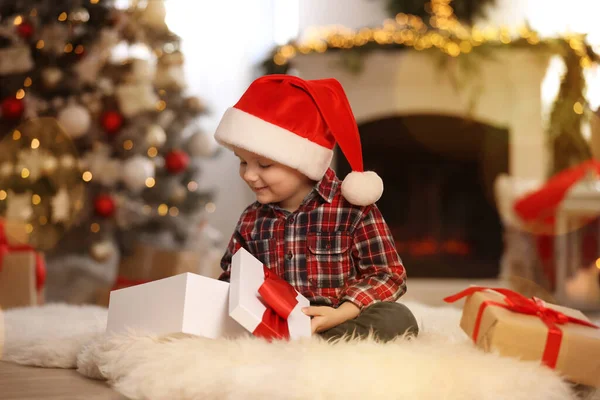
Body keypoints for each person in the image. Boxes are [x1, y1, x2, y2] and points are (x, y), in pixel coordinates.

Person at [214, 74, 418, 342]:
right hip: (277, 321)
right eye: (243, 162)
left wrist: (343, 312)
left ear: (302, 162)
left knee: (398, 318)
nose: (249, 175)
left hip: (340, 317)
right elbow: (231, 276)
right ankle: (296, 339)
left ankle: (324, 340)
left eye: (263, 165)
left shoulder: (352, 209)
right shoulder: (252, 219)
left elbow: (388, 274)